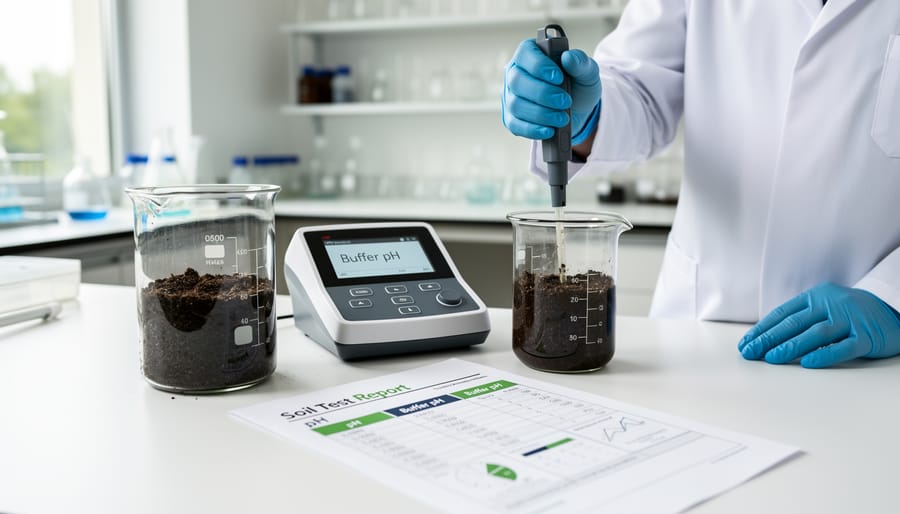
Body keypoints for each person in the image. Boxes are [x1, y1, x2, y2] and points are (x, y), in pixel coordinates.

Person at [502, 0, 900, 369]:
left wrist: (890, 296)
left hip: (864, 350)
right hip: (701, 332)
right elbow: (640, 87)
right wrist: (586, 120)